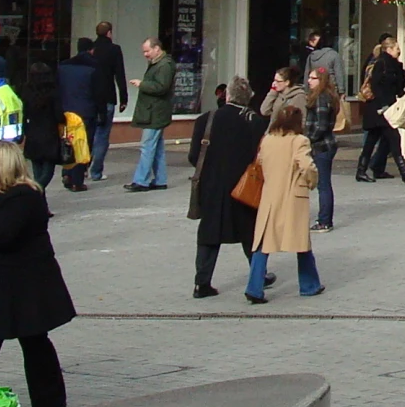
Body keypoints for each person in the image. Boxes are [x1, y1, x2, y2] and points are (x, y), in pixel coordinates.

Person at [0, 140, 76, 407]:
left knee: (33, 341)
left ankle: (49, 401)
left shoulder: (24, 197)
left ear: (0, 165)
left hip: (24, 288)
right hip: (0, 286)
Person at [191, 79, 265, 299]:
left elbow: (194, 155)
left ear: (228, 96)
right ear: (248, 98)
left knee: (209, 234)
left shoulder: (207, 119)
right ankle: (258, 277)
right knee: (250, 232)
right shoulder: (255, 122)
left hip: (211, 186)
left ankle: (201, 283)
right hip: (244, 186)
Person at [246, 104, 322, 303]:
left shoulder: (267, 140)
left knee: (263, 242)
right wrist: (312, 181)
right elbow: (306, 165)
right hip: (292, 196)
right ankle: (309, 285)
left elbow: (261, 163)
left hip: (270, 195)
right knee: (301, 242)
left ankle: (254, 287)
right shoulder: (300, 140)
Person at [357, 36, 405, 183]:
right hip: (379, 108)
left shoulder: (394, 65)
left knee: (373, 140)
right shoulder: (381, 63)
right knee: (393, 137)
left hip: (384, 108)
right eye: (396, 49)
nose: (399, 51)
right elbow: (376, 86)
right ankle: (404, 171)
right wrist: (383, 106)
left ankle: (364, 170)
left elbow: (398, 88)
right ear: (389, 49)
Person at [126, 36, 175, 192]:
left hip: (155, 112)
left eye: (147, 51)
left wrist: (142, 84)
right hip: (155, 111)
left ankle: (141, 181)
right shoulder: (159, 64)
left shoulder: (165, 65)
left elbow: (162, 87)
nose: (145, 54)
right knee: (157, 147)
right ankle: (160, 180)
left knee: (147, 146)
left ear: (156, 49)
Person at [87, 21, 129, 183]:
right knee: (102, 135)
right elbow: (120, 74)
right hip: (107, 97)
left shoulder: (91, 49)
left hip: (90, 97)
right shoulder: (114, 49)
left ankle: (83, 167)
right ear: (109, 33)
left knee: (88, 133)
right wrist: (124, 98)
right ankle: (96, 171)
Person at [54, 39, 97, 192]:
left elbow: (57, 89)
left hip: (66, 111)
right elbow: (98, 93)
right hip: (86, 112)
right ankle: (77, 181)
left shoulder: (63, 67)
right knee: (82, 145)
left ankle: (66, 172)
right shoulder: (93, 68)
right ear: (91, 50)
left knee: (67, 143)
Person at [306, 67, 342, 229]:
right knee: (324, 183)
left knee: (323, 184)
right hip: (325, 144)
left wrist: (308, 140)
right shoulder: (327, 96)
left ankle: (324, 220)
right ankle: (324, 219)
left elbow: (321, 126)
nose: (309, 81)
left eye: (313, 78)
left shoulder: (321, 98)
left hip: (322, 146)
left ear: (321, 81)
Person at [20, 60, 61, 191]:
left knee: (37, 170)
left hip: (32, 133)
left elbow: (23, 113)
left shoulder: (26, 91)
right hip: (50, 134)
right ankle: (34, 191)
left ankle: (41, 205)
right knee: (48, 172)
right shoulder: (53, 92)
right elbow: (59, 115)